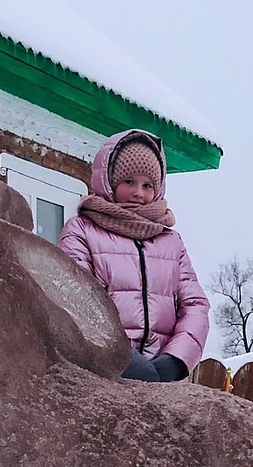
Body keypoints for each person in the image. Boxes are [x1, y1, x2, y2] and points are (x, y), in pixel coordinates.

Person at [59, 129, 209, 382]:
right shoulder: (82, 230)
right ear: (109, 181)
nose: (139, 193)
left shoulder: (170, 241)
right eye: (129, 182)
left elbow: (195, 305)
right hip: (101, 375)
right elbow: (73, 299)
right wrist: (121, 356)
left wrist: (175, 359)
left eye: (148, 185)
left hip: (161, 379)